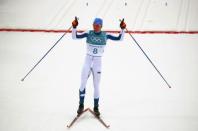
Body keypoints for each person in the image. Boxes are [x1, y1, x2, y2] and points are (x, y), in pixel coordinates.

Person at [72, 17, 126, 117]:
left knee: (96, 86)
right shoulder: (89, 33)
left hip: (98, 62)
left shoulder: (106, 35)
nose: (96, 27)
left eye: (98, 25)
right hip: (87, 61)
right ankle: (81, 105)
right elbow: (74, 37)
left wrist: (122, 29)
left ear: (101, 26)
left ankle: (96, 107)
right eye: (94, 25)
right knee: (82, 83)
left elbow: (120, 38)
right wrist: (74, 27)